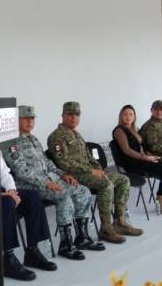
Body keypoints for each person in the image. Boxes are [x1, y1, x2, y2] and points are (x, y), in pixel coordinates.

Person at [3, 105, 103, 260]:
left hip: (50, 180)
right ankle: (66, 244)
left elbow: (47, 163)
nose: (30, 121)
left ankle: (82, 237)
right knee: (63, 195)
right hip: (30, 185)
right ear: (16, 120)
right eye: (25, 118)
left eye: (32, 118)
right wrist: (45, 183)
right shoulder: (12, 142)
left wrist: (63, 175)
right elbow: (20, 170)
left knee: (83, 191)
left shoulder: (33, 139)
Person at [47, 102, 142, 244]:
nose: (74, 118)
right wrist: (92, 171)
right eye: (70, 115)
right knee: (106, 184)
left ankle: (120, 222)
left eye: (77, 115)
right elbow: (64, 163)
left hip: (89, 173)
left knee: (123, 180)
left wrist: (99, 169)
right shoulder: (57, 137)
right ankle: (106, 228)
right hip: (74, 176)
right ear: (63, 116)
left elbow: (89, 156)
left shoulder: (76, 134)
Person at [112, 105, 162, 215]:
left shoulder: (135, 129)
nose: (128, 117)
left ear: (134, 116)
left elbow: (143, 148)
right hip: (132, 163)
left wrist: (150, 156)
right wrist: (146, 158)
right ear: (121, 116)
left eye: (131, 114)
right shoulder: (119, 130)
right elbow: (127, 150)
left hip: (142, 160)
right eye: (125, 114)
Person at [0, 155, 57, 281]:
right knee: (8, 202)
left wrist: (12, 191)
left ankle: (32, 251)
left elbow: (4, 173)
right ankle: (7, 258)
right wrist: (5, 195)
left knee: (33, 197)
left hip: (3, 192)